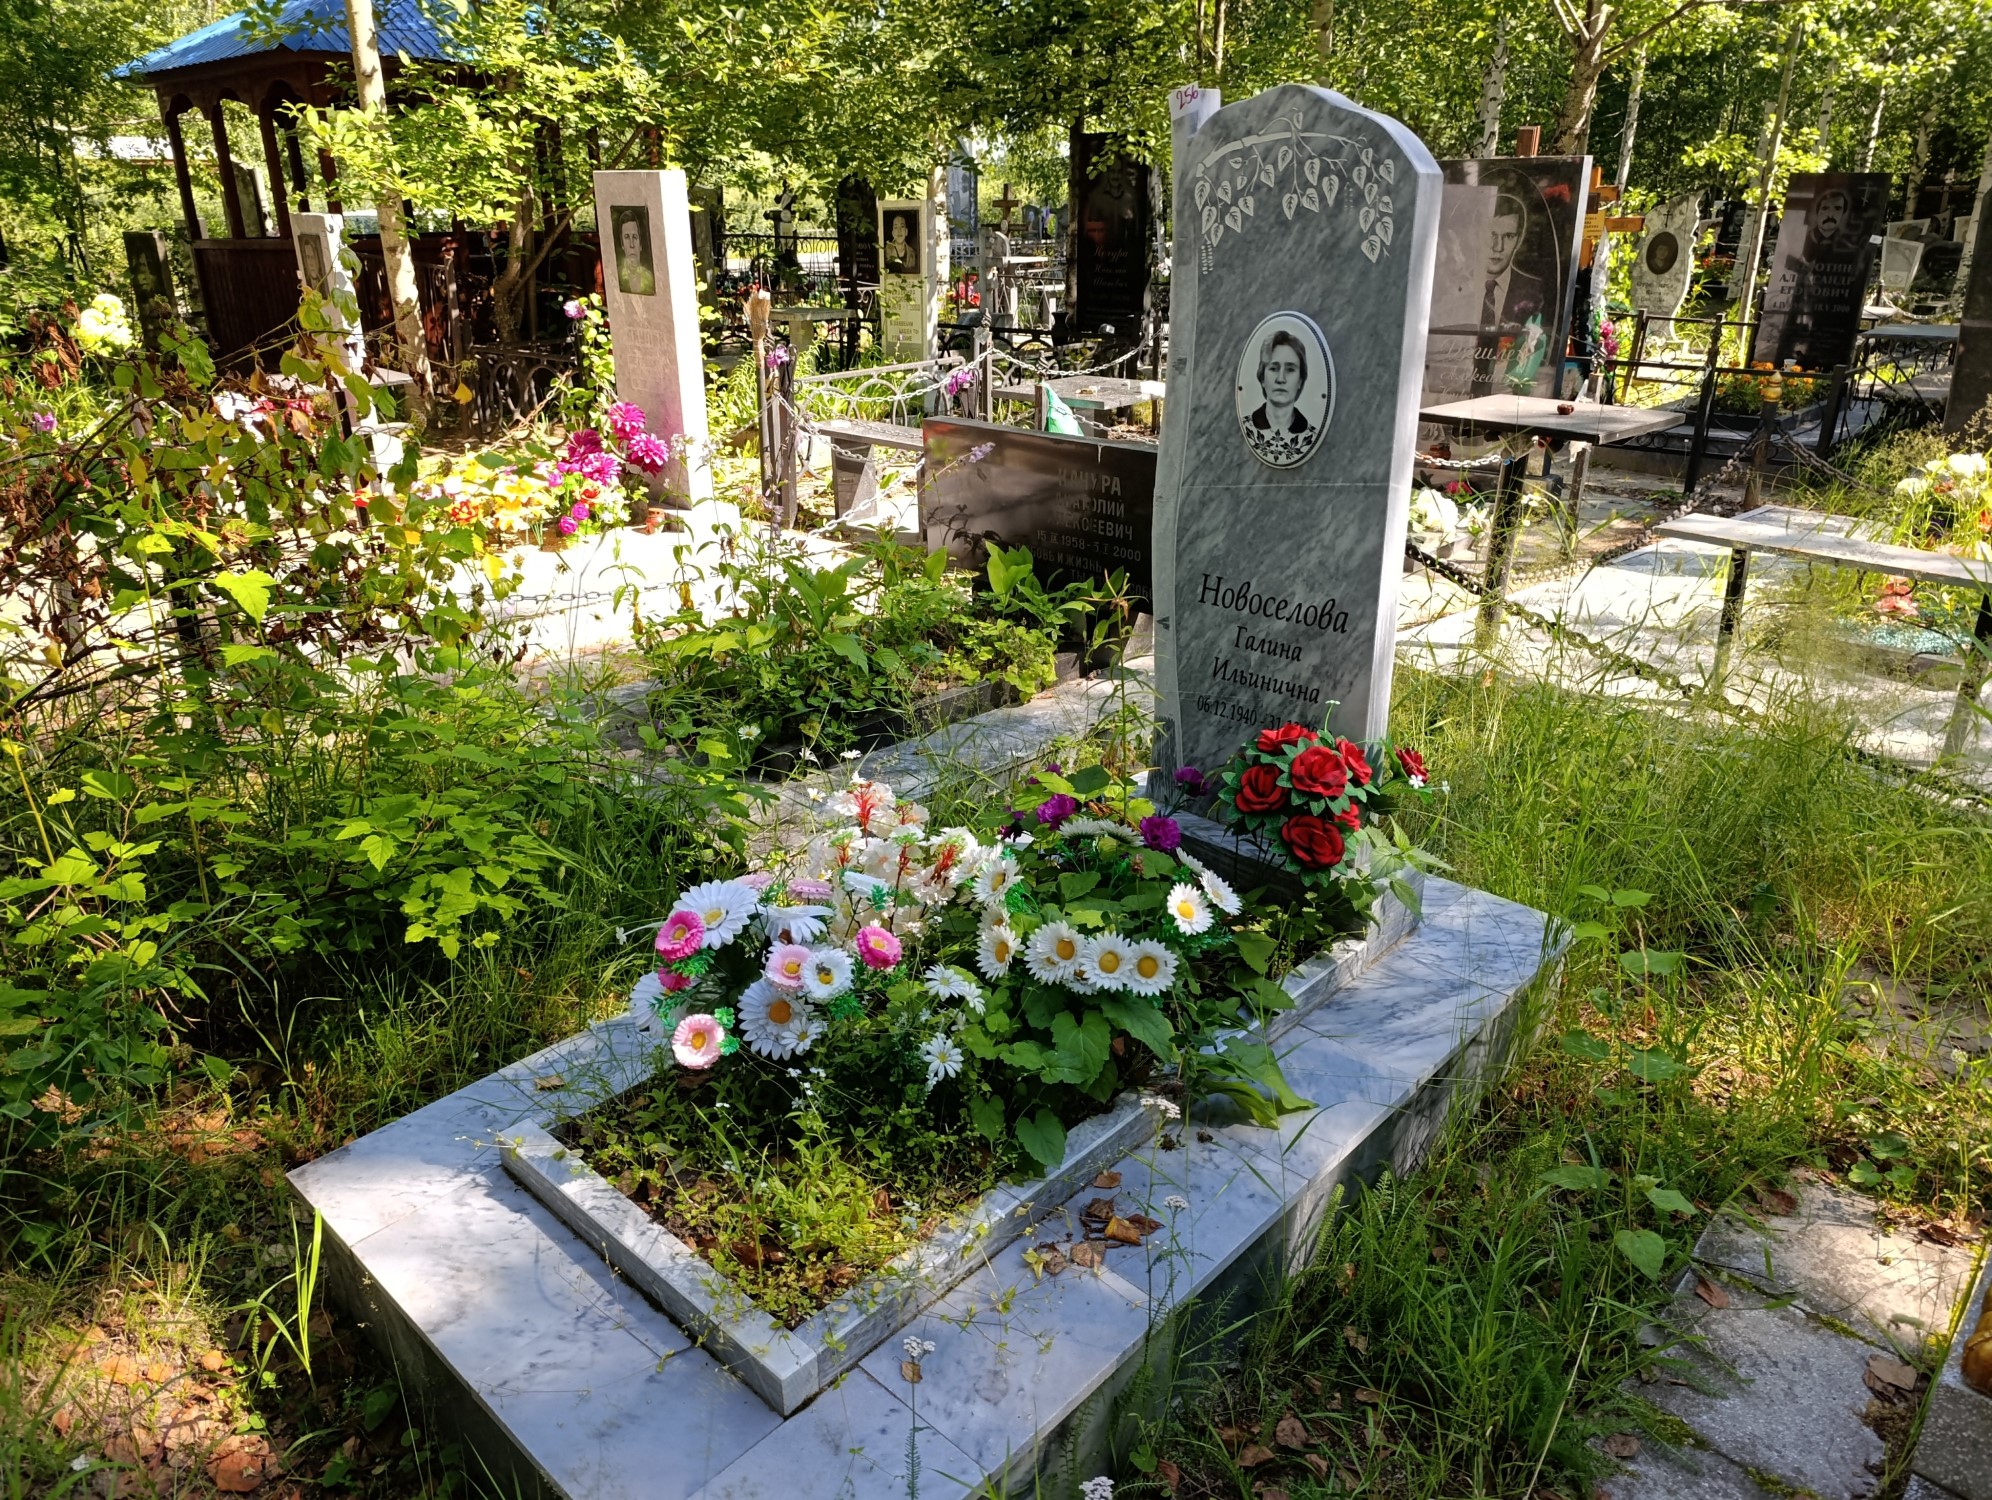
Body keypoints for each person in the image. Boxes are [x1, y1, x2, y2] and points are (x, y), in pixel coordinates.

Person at [1242, 329, 1318, 466]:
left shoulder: (1310, 435)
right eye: (1273, 368)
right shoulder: (1247, 427)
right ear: (1262, 378)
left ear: (1300, 381)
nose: (1281, 379)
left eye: (1290, 369)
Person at [616, 212, 655, 297]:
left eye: (634, 237)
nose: (632, 244)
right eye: (626, 237)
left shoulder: (650, 277)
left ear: (640, 244)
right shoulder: (616, 276)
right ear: (622, 244)